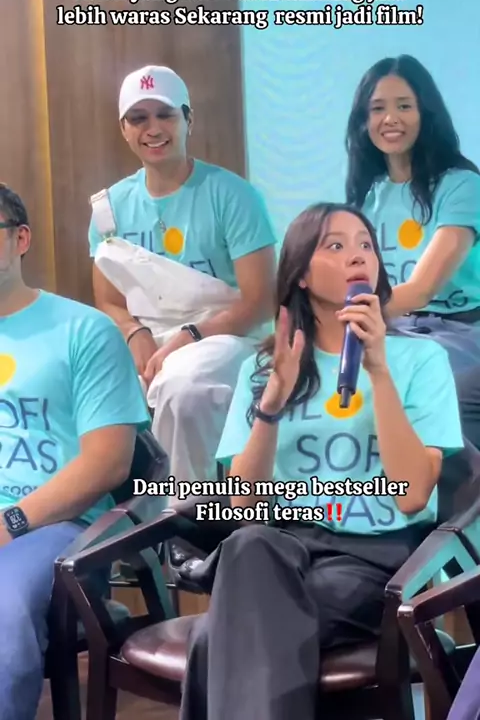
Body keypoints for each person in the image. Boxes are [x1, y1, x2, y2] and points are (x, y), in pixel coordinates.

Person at [178, 202, 464, 720]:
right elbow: (242, 505)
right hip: (281, 544)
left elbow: (412, 495)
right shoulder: (265, 366)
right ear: (302, 275)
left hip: (372, 556)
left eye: (365, 245)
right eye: (335, 245)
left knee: (219, 635)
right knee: (248, 544)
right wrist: (271, 405)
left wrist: (378, 371)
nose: (357, 256)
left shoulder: (421, 360)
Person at [0, 184, 151, 720]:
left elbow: (108, 462)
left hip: (52, 528)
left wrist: (10, 522)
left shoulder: (83, 330)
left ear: (21, 239)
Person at [88, 64, 276, 486]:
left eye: (165, 115)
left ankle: (184, 512)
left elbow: (261, 301)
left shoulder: (234, 197)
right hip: (149, 341)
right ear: (124, 129)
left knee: (184, 385)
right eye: (139, 118)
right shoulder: (108, 209)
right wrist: (134, 332)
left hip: (230, 338)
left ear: (189, 120)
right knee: (95, 385)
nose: (153, 128)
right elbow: (110, 301)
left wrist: (189, 336)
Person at [345, 54, 480, 374]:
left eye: (404, 106)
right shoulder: (367, 197)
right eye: (378, 108)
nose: (390, 118)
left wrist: (346, 316)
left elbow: (422, 290)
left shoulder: (463, 186)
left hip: (459, 329)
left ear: (426, 114)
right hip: (392, 326)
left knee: (409, 374)